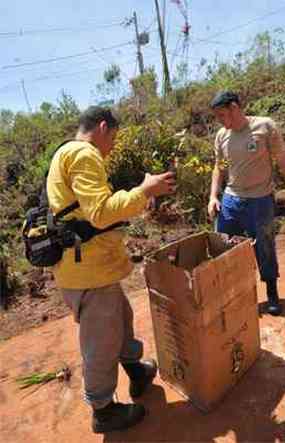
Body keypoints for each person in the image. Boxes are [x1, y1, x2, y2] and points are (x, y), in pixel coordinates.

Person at [47, 106, 176, 434]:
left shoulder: (66, 153)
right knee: (101, 343)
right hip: (88, 272)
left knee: (121, 318)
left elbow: (89, 212)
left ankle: (136, 370)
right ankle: (104, 411)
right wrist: (146, 189)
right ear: (102, 127)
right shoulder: (84, 154)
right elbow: (101, 213)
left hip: (93, 269)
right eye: (114, 138)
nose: (113, 146)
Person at [208, 91, 285, 316]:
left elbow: (283, 162)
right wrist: (213, 196)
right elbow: (220, 167)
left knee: (264, 246)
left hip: (260, 200)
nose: (222, 122)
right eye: (218, 118)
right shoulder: (222, 136)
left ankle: (272, 292)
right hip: (231, 200)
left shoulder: (265, 127)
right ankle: (232, 296)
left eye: (224, 115)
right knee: (223, 247)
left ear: (235, 107)